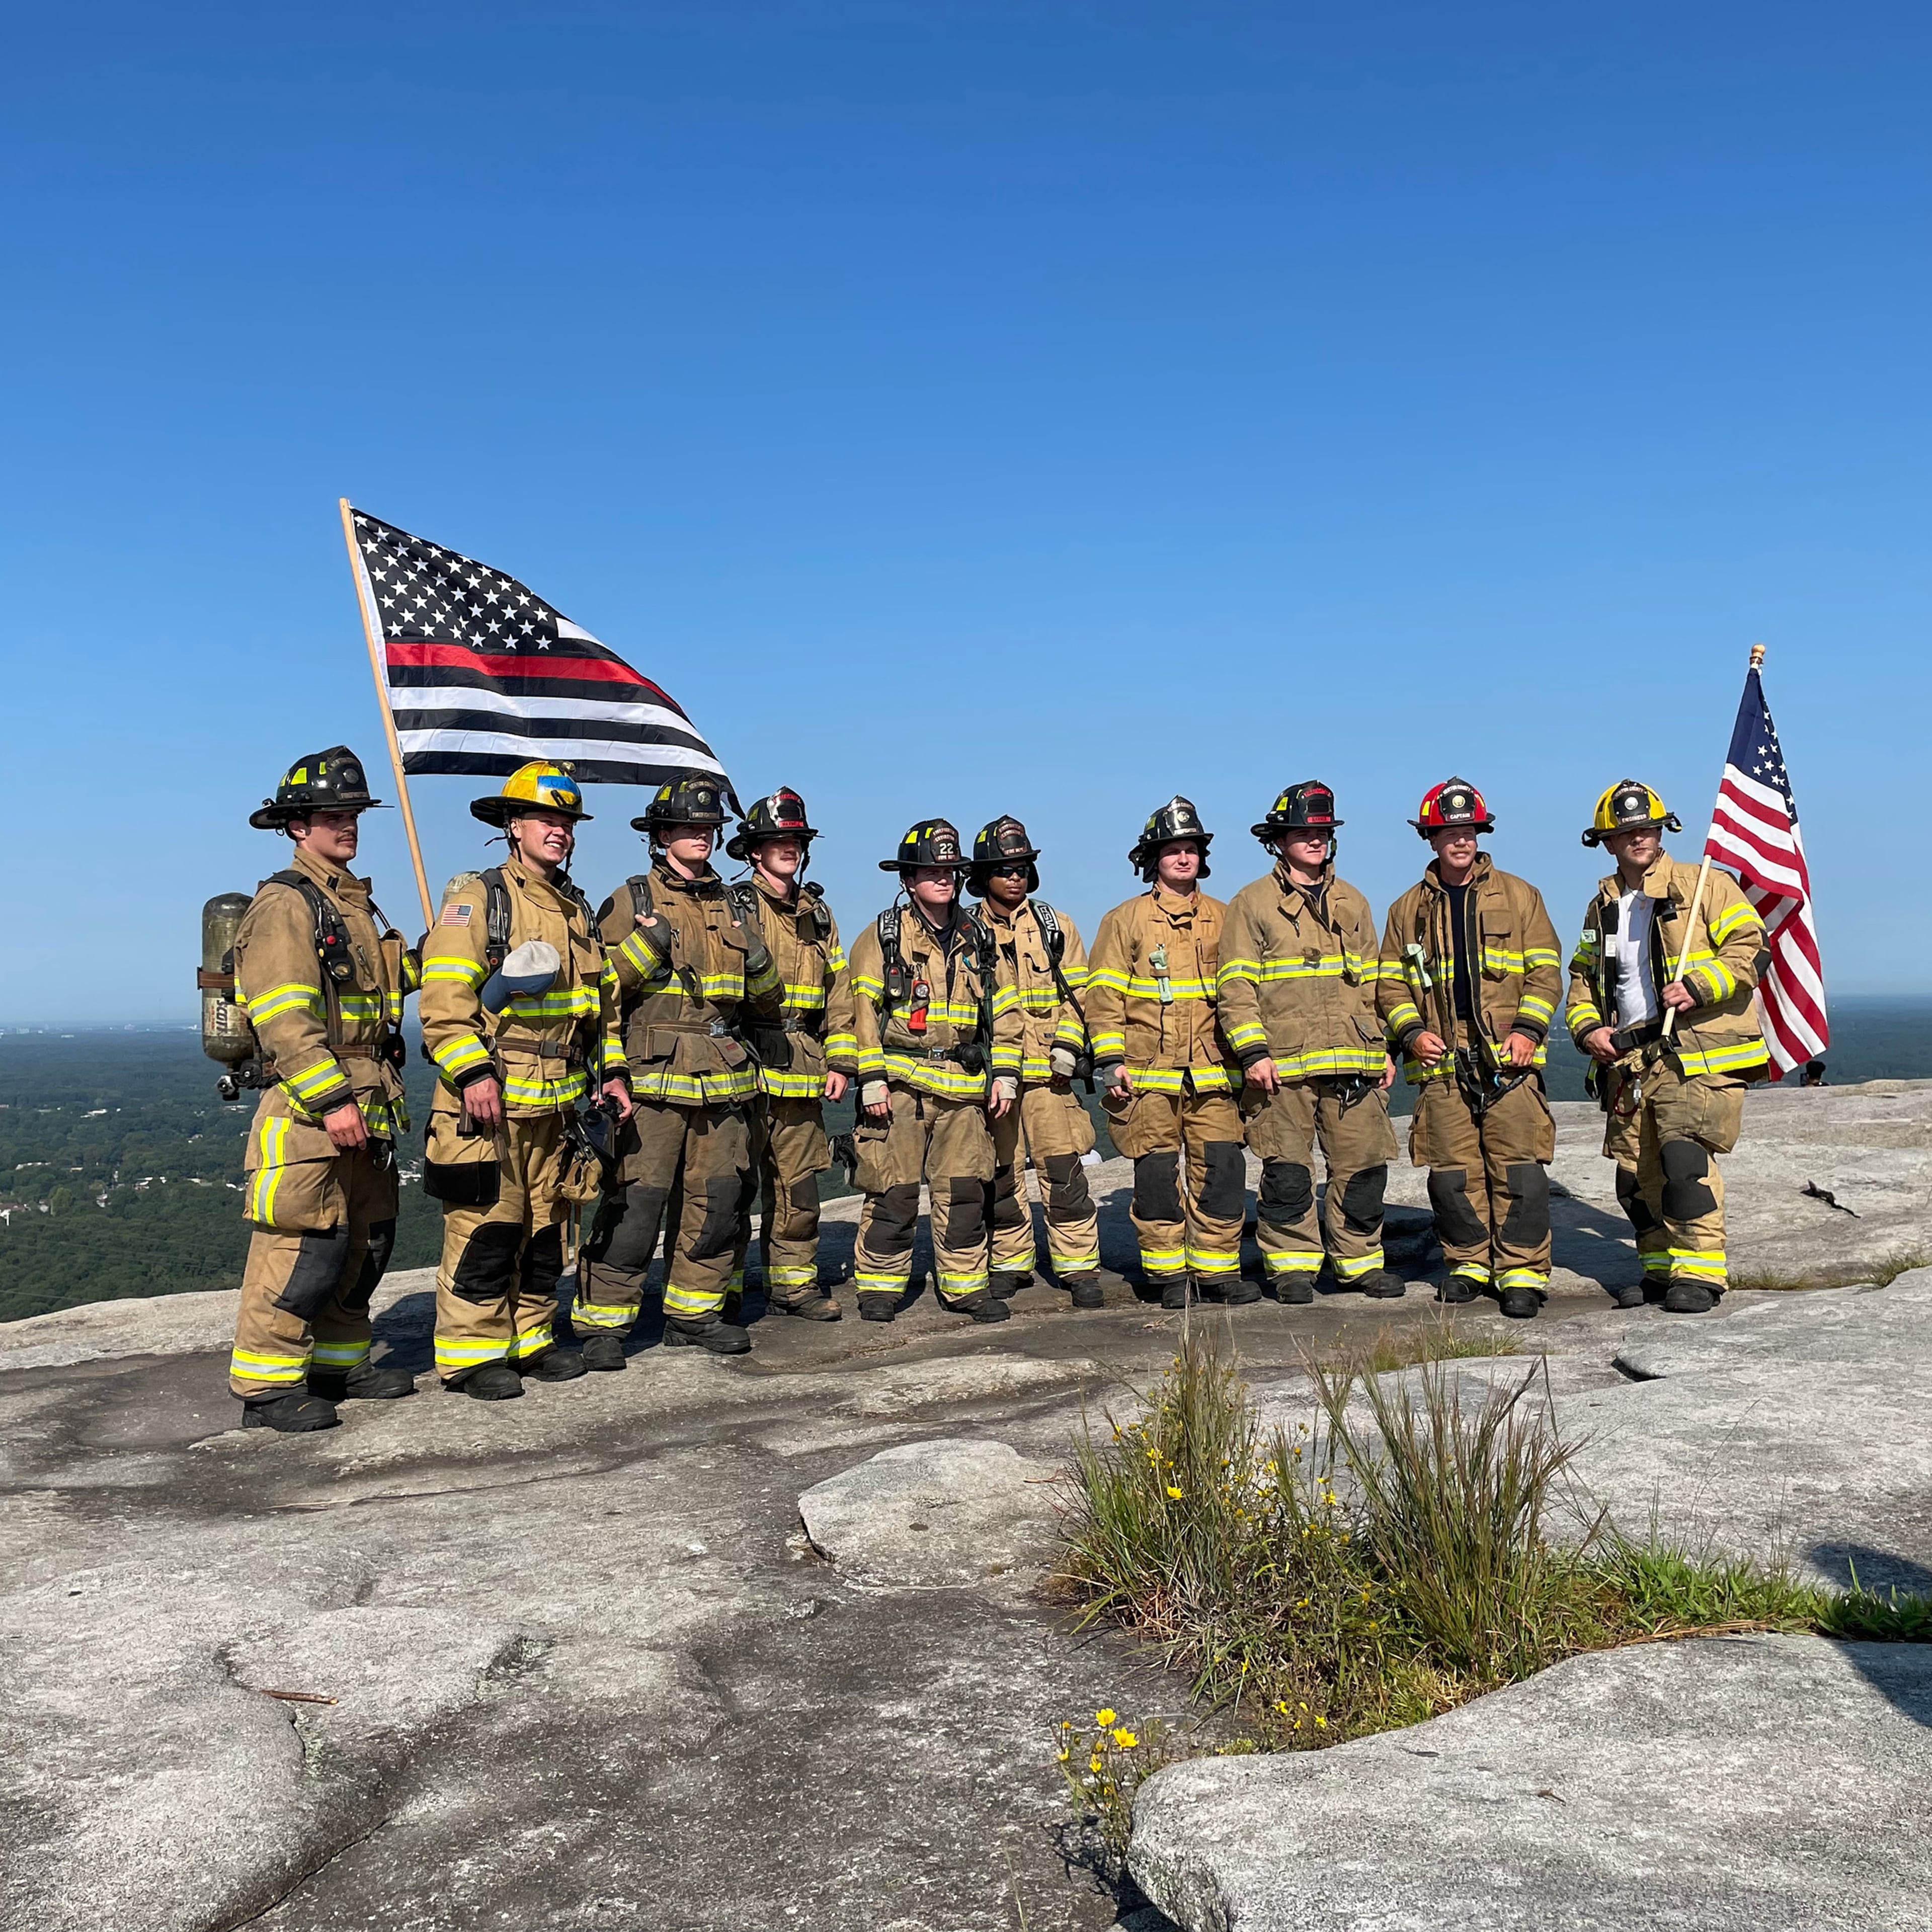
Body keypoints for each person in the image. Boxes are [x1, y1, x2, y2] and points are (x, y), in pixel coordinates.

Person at [419, 762, 629, 1396]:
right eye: (546, 819)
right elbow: (444, 999)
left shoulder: (577, 908)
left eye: (567, 822)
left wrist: (611, 1071)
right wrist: (473, 1071)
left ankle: (531, 1337)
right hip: (492, 1099)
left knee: (545, 1227)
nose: (559, 831)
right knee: (486, 1226)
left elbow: (604, 1007)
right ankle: (472, 1355)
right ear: (513, 826)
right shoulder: (478, 896)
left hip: (560, 1102)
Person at [225, 748, 419, 1431]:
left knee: (365, 1241)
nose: (348, 824)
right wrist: (332, 1100)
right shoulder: (286, 903)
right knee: (303, 1246)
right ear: (296, 825)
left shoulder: (353, 901)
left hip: (371, 1098)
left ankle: (340, 1364)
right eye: (332, 814)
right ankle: (268, 1389)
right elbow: (284, 1016)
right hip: (314, 1108)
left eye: (354, 813)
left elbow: (384, 988)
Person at [575, 777, 783, 1358]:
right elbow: (600, 993)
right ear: (662, 835)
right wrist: (646, 950)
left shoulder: (737, 904)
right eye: (689, 827)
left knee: (717, 1205)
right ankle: (603, 1328)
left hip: (724, 1081)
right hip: (652, 1083)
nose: (702, 837)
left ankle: (694, 1315)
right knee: (634, 1209)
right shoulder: (632, 899)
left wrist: (760, 958)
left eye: (709, 828)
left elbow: (768, 1002)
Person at [1565, 780, 1769, 1312]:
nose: (1640, 838)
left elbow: (1752, 950)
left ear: (1662, 831)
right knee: (1635, 1177)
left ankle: (1700, 1274)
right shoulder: (1601, 906)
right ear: (1608, 842)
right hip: (1630, 1062)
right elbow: (1584, 980)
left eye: (1648, 828)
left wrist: (1700, 985)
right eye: (1627, 831)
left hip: (1693, 1053)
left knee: (1683, 1164)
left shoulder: (1705, 886)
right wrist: (1589, 1031)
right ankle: (1658, 1270)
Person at [1377, 778, 1565, 1319]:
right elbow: (1389, 985)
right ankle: (1467, 1265)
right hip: (1441, 1057)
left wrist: (1528, 1032)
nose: (1460, 841)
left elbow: (1546, 971)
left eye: (1467, 831)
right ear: (1431, 839)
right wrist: (1413, 1034)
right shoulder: (1406, 910)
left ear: (1479, 834)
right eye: (1448, 833)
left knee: (1518, 1169)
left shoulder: (1521, 895)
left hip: (1509, 1054)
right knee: (1453, 1171)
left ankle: (1522, 1272)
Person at [1219, 783, 1401, 1303]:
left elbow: (1374, 983)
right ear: (1279, 841)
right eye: (1303, 833)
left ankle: (1359, 1263)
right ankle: (1292, 1267)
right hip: (1284, 1063)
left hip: (1356, 1060)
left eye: (1322, 833)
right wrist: (1253, 1053)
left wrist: (1382, 1046)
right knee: (1289, 1172)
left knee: (1364, 1168)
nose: (1316, 841)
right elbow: (1235, 986)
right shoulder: (1252, 903)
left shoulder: (1355, 901)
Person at [846, 820, 1022, 1324]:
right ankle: (879, 1288)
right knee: (892, 1192)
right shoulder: (882, 937)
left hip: (963, 1092)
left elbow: (1005, 1013)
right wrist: (871, 1079)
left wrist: (1005, 1075)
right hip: (900, 1088)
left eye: (949, 869)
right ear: (908, 880)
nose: (943, 878)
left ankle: (966, 1288)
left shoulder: (979, 937)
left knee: (966, 1193)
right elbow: (860, 1014)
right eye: (931, 870)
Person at [1085, 798, 1245, 1309]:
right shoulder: (1125, 920)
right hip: (1147, 1074)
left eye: (1191, 849)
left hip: (1213, 1072)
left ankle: (1218, 1272)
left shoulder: (1227, 918)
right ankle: (1168, 1275)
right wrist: (1111, 1063)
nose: (1183, 858)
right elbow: (1103, 997)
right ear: (1153, 859)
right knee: (1156, 1177)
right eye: (1172, 850)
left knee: (1222, 1172)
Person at [724, 787, 857, 1321]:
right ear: (754, 850)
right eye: (776, 839)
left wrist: (841, 1060)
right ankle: (720, 1292)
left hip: (803, 1068)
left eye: (796, 840)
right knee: (729, 1188)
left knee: (798, 1188)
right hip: (743, 1064)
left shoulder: (818, 915)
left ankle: (793, 1287)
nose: (789, 847)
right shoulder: (732, 906)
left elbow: (840, 992)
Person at [966, 816, 1105, 1310]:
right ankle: (1010, 1264)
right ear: (984, 874)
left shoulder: (1056, 926)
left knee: (1064, 1172)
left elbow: (1080, 992)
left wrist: (1067, 1050)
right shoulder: (963, 931)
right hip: (992, 1079)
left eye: (1022, 866)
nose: (1016, 875)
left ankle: (1078, 1266)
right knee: (1001, 1174)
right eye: (1005, 868)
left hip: (1051, 1075)